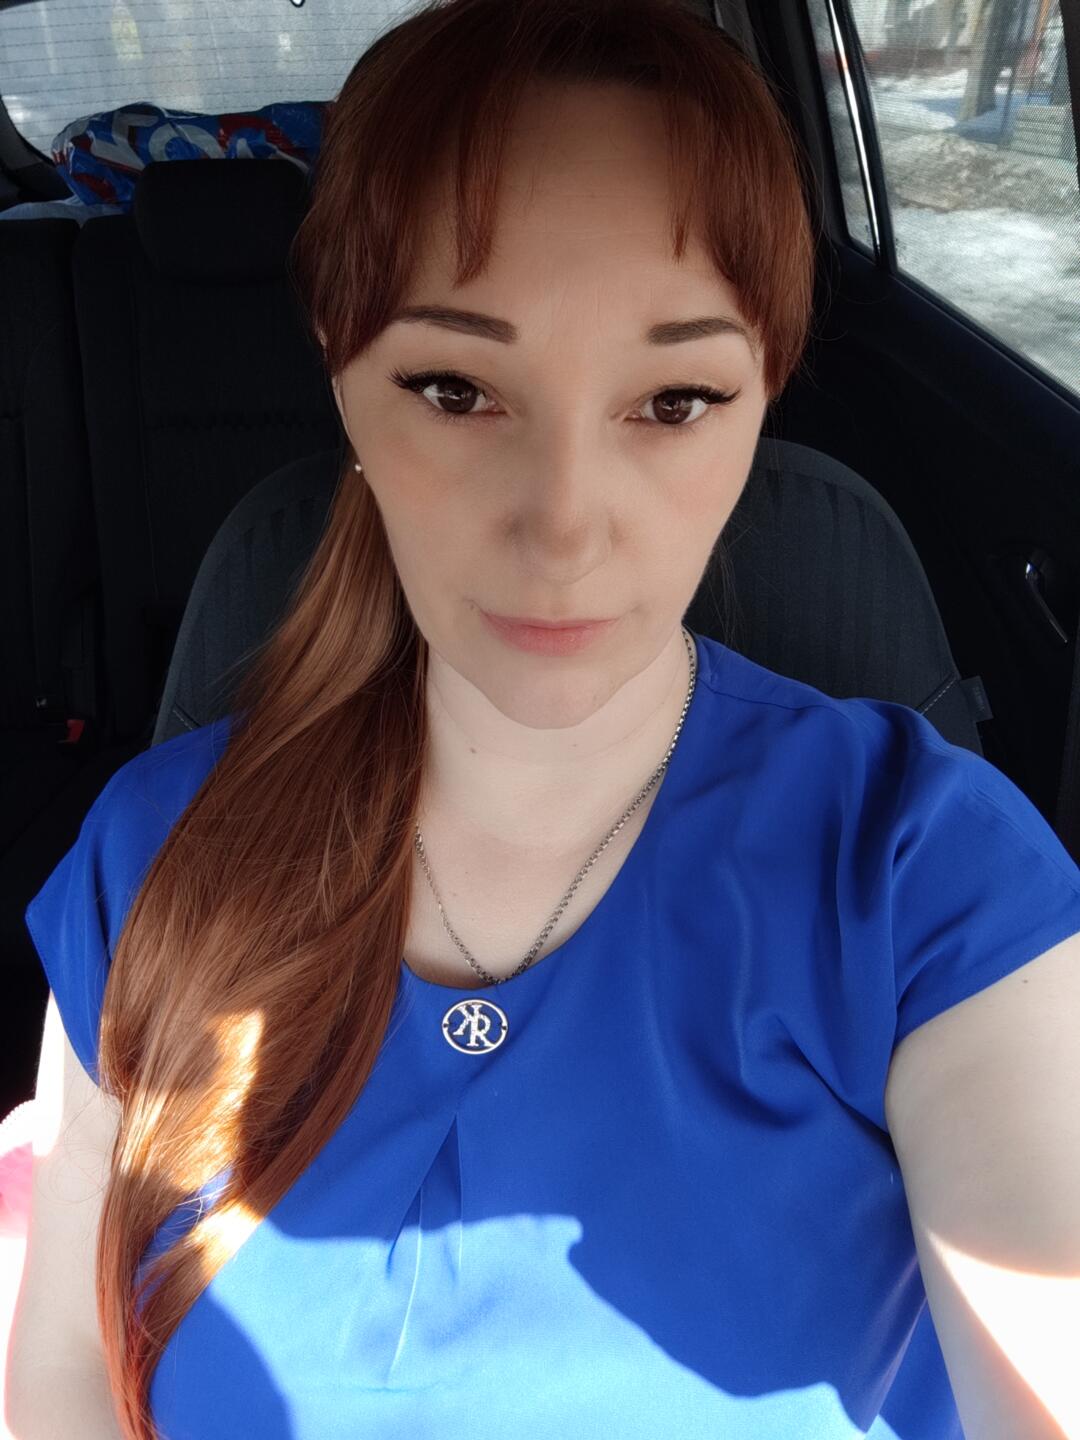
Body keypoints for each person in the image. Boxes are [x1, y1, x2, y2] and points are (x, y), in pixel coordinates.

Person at [16, 1, 1080, 1437]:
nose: (566, 527)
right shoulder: (155, 856)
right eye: (456, 389)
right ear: (341, 371)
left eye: (675, 400)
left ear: (765, 396)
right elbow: (66, 1382)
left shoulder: (925, 877)